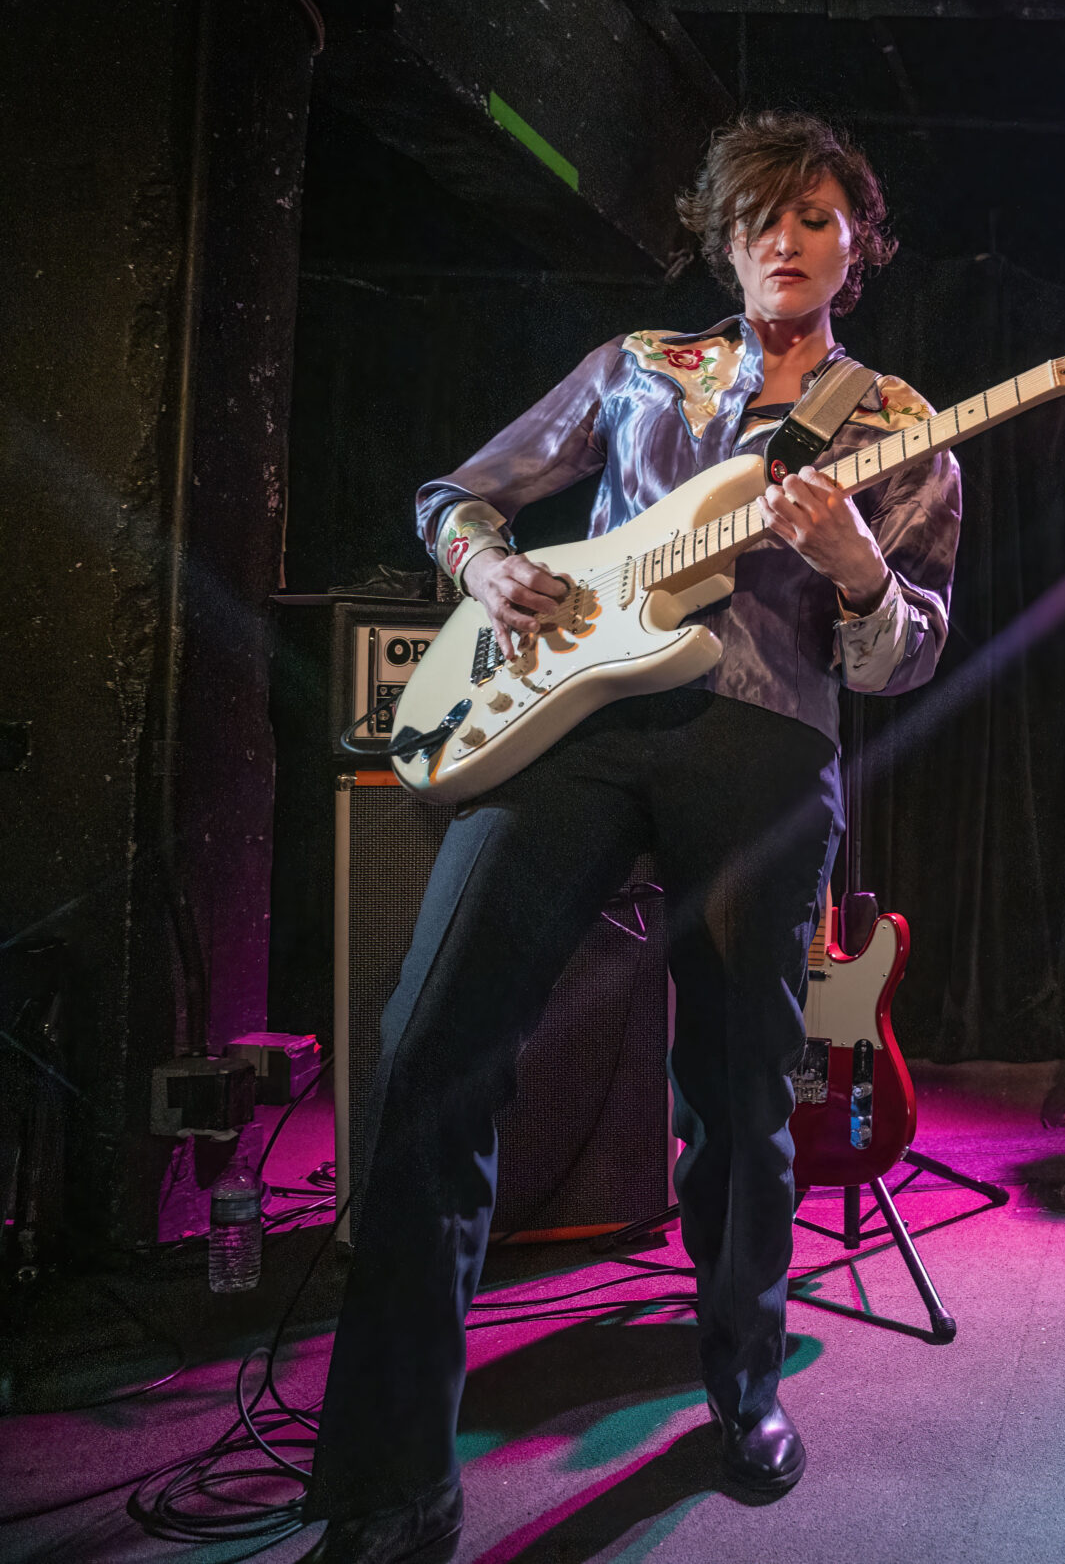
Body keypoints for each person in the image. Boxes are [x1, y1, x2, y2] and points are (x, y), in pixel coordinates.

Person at [302, 112, 961, 1564]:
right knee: (428, 1052)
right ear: (723, 241)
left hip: (762, 741)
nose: (782, 243)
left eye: (813, 218)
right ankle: (390, 1475)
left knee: (739, 1090)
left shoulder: (903, 427)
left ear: (861, 242)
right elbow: (455, 494)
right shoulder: (633, 369)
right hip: (575, 721)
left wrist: (858, 573)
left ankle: (740, 1383)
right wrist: (487, 564)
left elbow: (903, 661)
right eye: (754, 222)